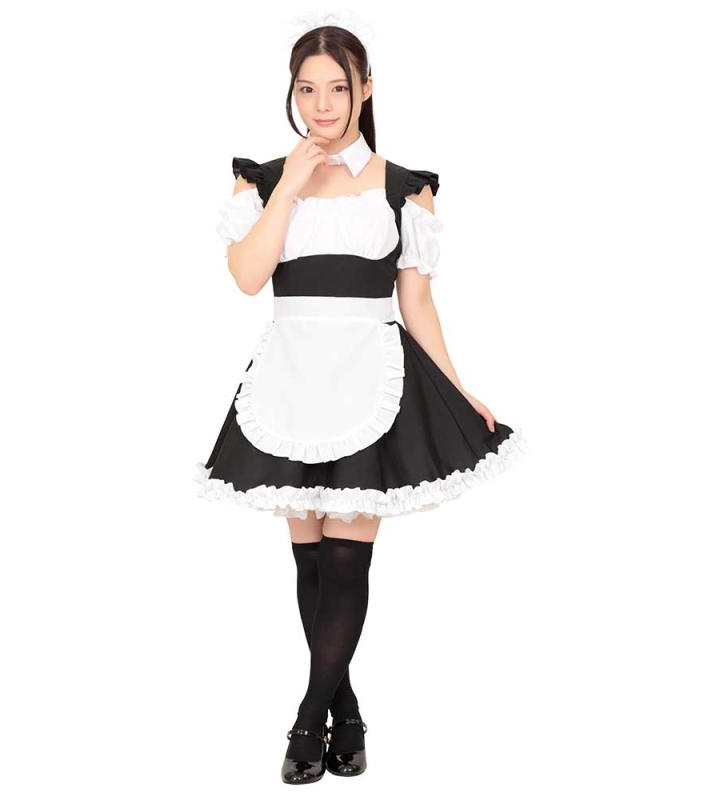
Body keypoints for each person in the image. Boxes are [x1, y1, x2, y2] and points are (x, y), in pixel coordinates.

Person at [192, 24, 526, 784]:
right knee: (309, 558)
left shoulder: (404, 187)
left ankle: (307, 721)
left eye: (338, 88)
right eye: (306, 89)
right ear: (291, 92)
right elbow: (247, 277)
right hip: (291, 374)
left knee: (345, 561)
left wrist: (455, 387)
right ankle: (346, 716)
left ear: (365, 89)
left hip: (370, 374)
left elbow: (417, 303)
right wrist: (289, 185)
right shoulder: (261, 182)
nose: (322, 105)